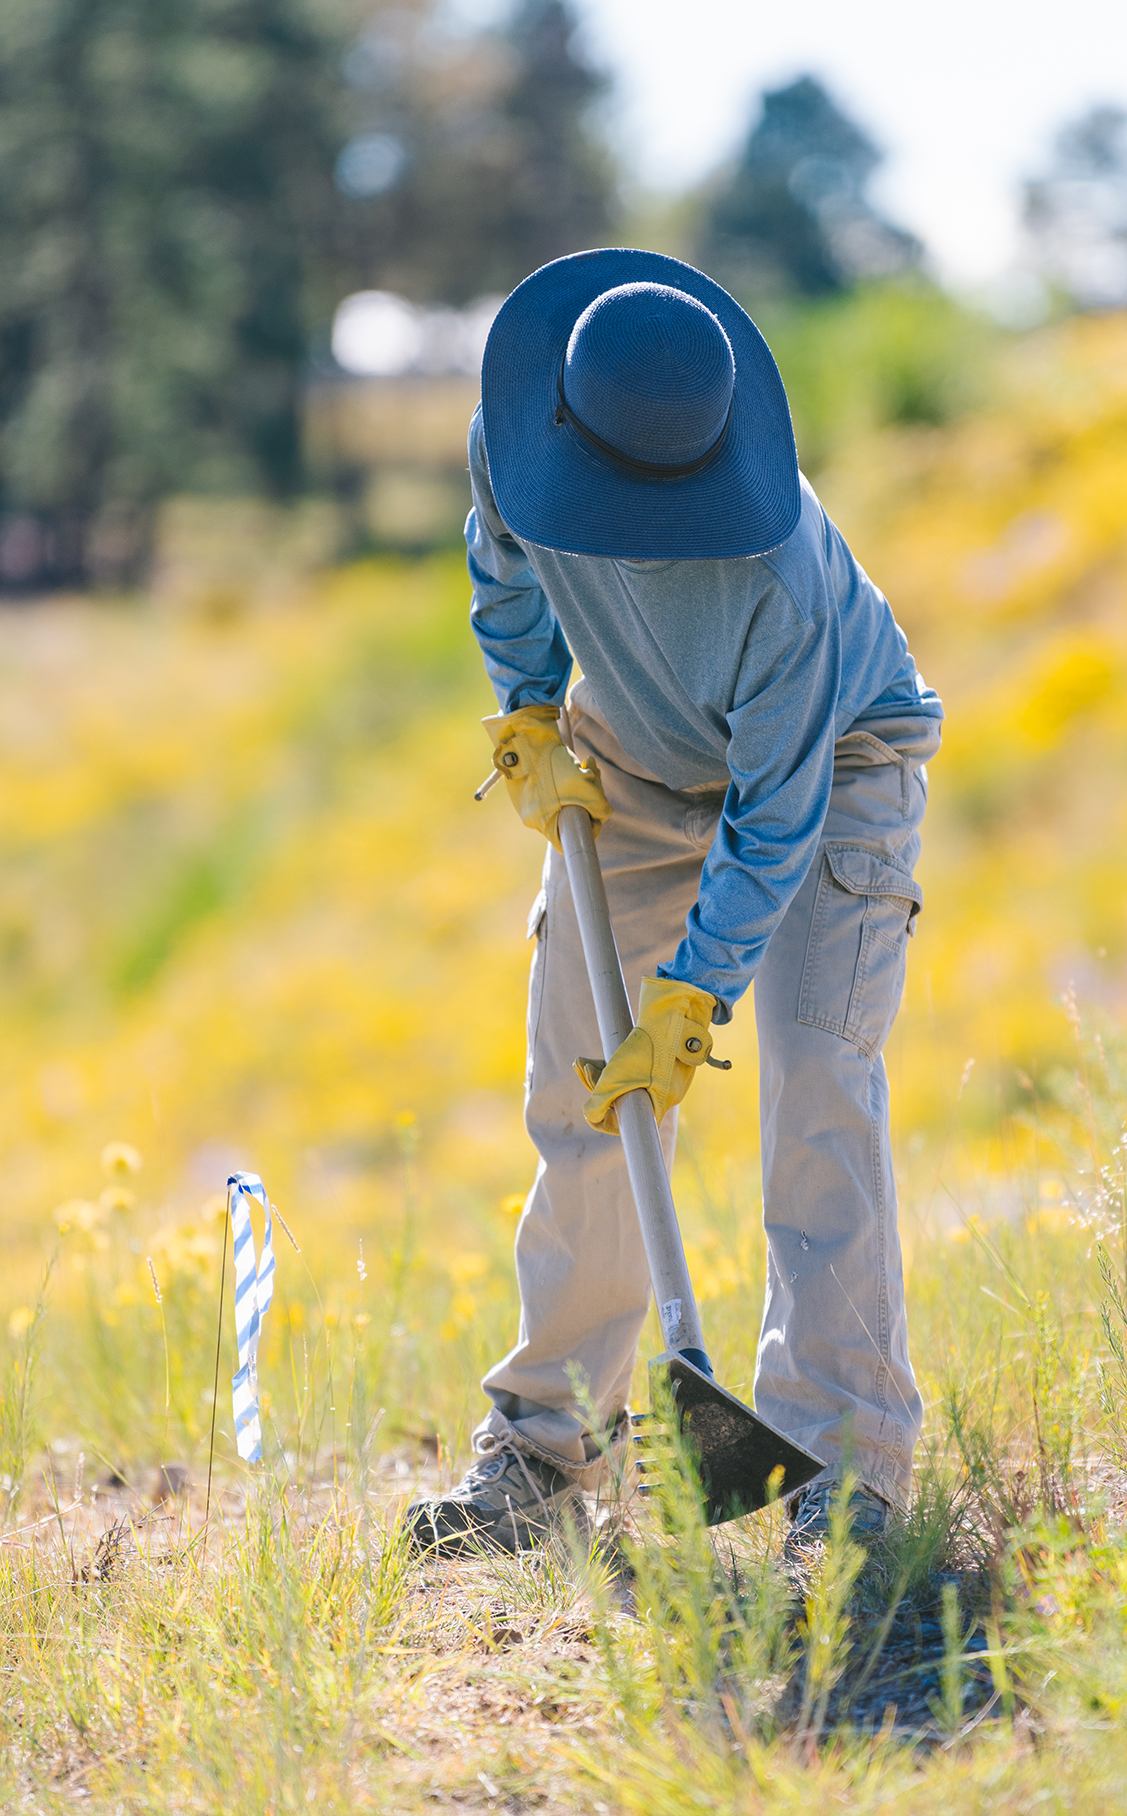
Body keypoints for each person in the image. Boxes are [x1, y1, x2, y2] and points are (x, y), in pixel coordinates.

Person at [403, 248, 940, 1560]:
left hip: (834, 766)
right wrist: (531, 707)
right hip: (628, 754)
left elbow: (774, 818)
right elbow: (505, 566)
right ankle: (545, 1454)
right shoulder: (512, 445)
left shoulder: (778, 585)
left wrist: (694, 998)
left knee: (817, 1086)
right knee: (587, 1092)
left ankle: (846, 1476)